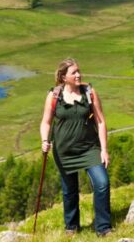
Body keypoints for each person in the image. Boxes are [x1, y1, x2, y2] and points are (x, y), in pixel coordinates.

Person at [39, 58, 111, 237]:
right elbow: (46, 122)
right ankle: (71, 227)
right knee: (69, 190)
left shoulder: (89, 92)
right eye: (74, 73)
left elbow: (100, 121)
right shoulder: (54, 95)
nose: (79, 75)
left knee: (102, 183)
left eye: (79, 71)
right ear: (63, 77)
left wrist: (104, 149)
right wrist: (44, 140)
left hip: (89, 148)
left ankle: (103, 228)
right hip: (64, 151)